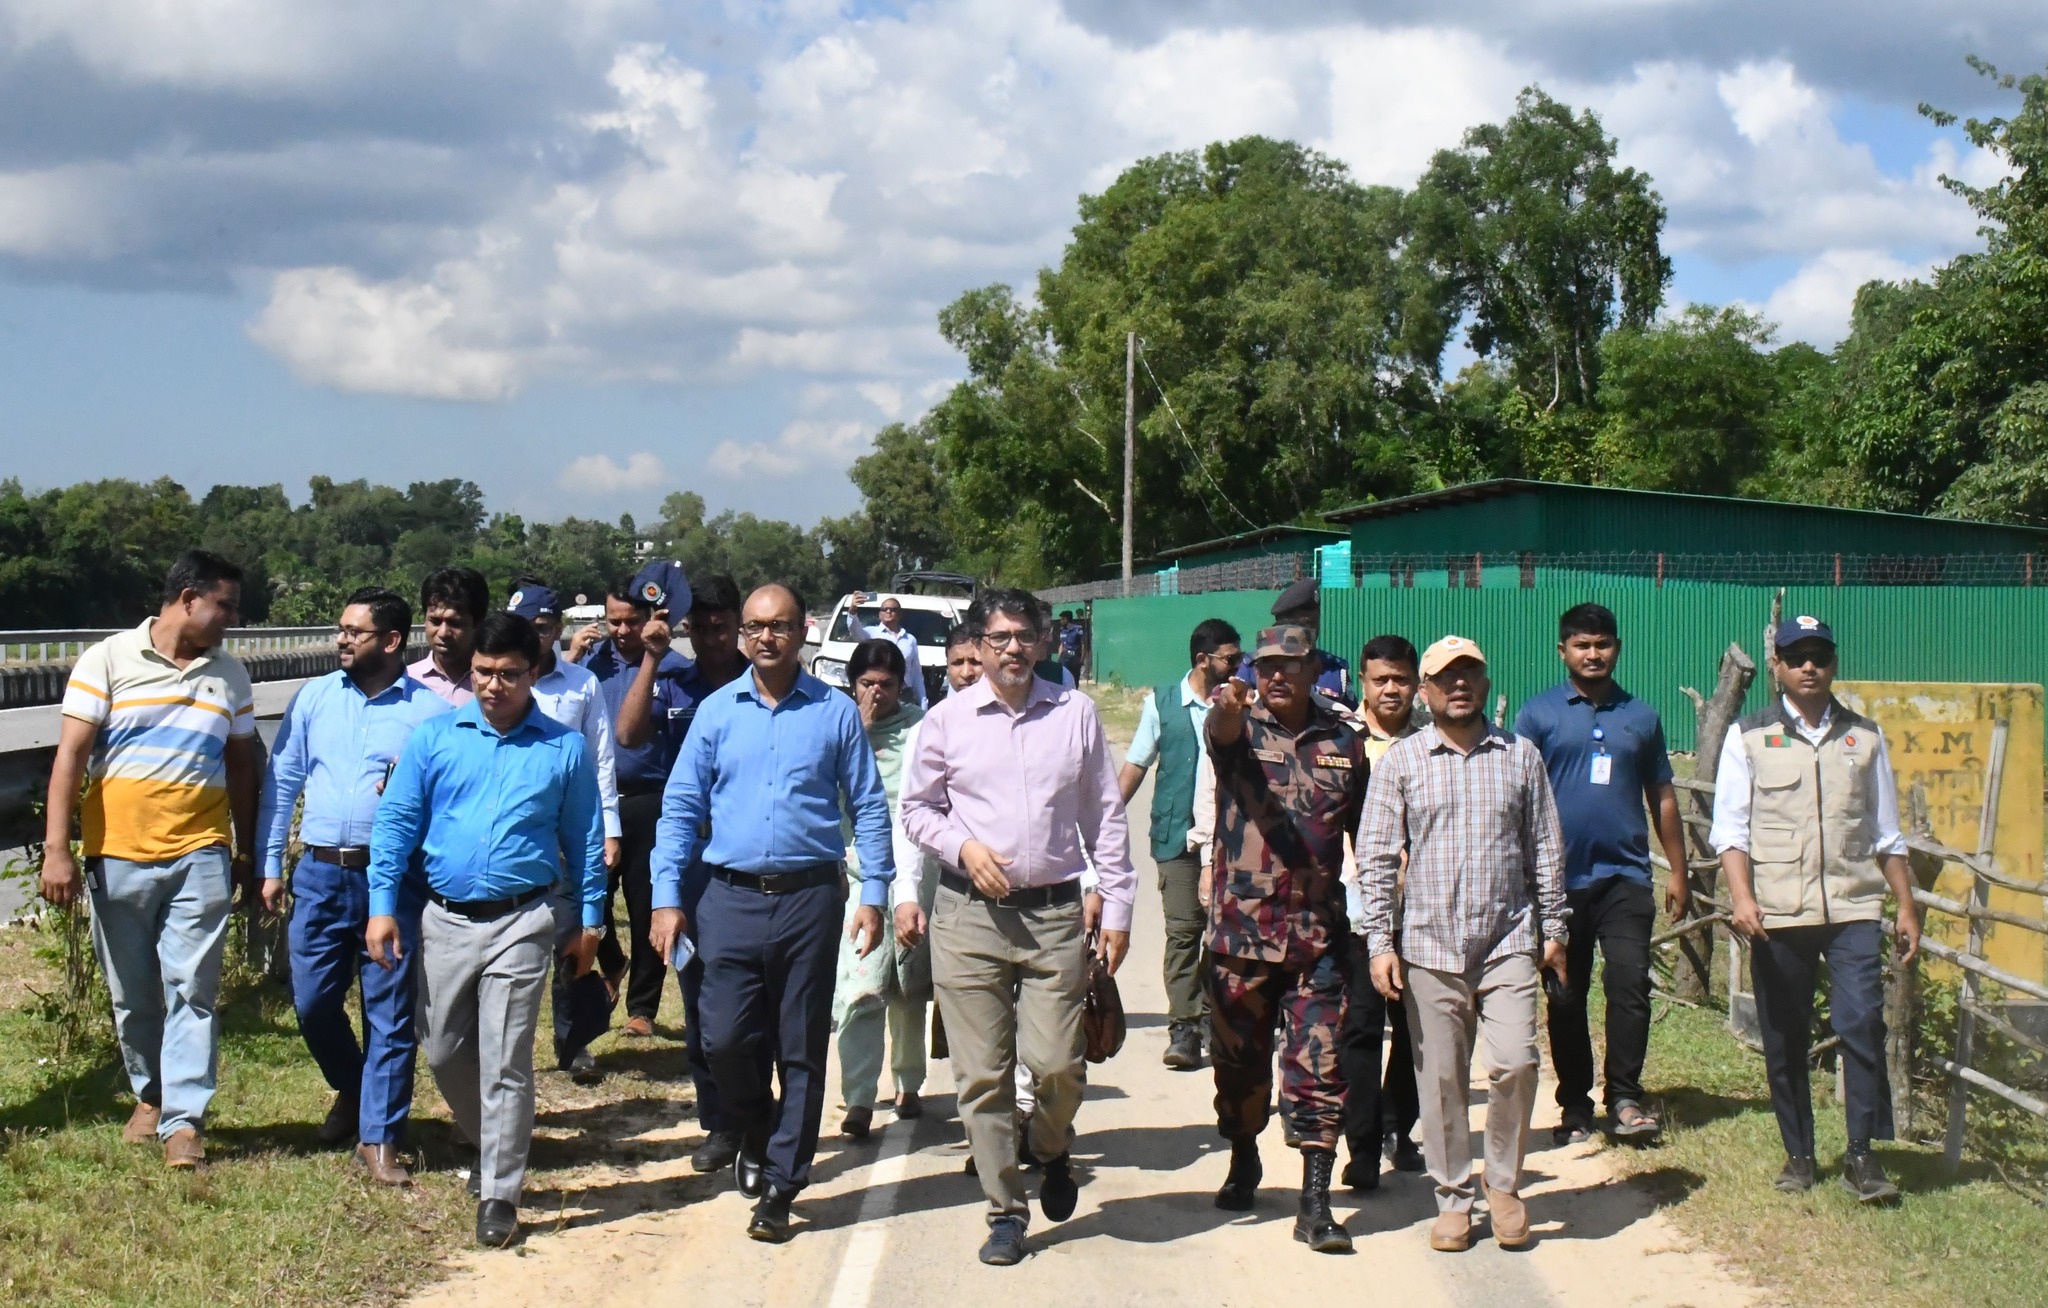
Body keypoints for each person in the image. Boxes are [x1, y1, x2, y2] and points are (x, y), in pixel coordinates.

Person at [647, 584, 895, 1244]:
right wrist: (666, 897)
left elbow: (868, 806)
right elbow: (679, 810)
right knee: (724, 1037)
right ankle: (755, 1126)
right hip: (725, 897)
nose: (765, 638)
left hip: (811, 899)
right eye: (755, 627)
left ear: (801, 631)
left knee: (800, 1044)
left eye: (779, 626)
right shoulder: (715, 712)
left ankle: (783, 1184)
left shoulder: (835, 712)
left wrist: (874, 894)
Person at [897, 587, 1134, 1268]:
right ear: (981, 643)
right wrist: (961, 849)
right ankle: (1006, 1211)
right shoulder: (947, 721)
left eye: (1023, 636)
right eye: (998, 637)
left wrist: (1115, 905)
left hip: (1055, 916)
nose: (1011, 649)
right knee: (981, 1077)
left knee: (1058, 1062)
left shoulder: (1076, 715)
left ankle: (1050, 1146)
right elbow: (917, 812)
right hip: (968, 916)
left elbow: (1106, 817)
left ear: (1044, 641)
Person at [367, 611, 606, 1248]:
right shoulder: (435, 739)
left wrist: (590, 922)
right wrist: (382, 905)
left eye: (507, 674)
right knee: (443, 1050)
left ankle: (500, 1191)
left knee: (506, 1058)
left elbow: (583, 839)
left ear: (534, 674)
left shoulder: (563, 748)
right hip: (444, 917)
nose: (494, 685)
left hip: (524, 919)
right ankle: (494, 1134)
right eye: (482, 673)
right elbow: (395, 826)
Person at [42, 550, 259, 1170]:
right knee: (135, 993)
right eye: (225, 605)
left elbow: (242, 767)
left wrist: (244, 849)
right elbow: (70, 759)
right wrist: (58, 849)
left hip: (201, 852)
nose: (232, 619)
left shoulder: (230, 675)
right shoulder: (108, 660)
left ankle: (185, 1120)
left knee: (193, 988)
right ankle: (151, 1095)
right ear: (188, 598)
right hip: (118, 854)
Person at [1358, 635, 1567, 1254]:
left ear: (1483, 682)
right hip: (1429, 946)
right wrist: (1379, 940)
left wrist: (1554, 928)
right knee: (1442, 1078)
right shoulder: (1402, 761)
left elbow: (1546, 848)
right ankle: (1453, 1199)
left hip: (1507, 939)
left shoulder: (1520, 755)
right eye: (1444, 677)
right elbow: (1373, 855)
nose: (1458, 685)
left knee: (1515, 1062)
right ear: (1426, 691)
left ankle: (1502, 1186)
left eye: (1469, 674)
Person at [1709, 615, 1922, 1204]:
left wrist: (1905, 905)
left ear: (1833, 665)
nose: (1809, 668)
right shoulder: (1748, 736)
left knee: (1861, 1023)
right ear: (1775, 664)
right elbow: (1730, 830)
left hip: (1853, 905)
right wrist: (1743, 898)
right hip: (1778, 910)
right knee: (1785, 1034)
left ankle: (1862, 1155)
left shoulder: (1864, 738)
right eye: (1797, 657)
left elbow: (1886, 834)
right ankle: (1799, 1155)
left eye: (1820, 657)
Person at [257, 587, 450, 1185]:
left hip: (391, 880)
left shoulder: (429, 714)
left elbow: (446, 802)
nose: (341, 639)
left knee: (389, 1012)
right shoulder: (314, 698)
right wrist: (269, 865)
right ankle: (355, 1085)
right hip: (317, 874)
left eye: (355, 631)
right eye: (340, 629)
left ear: (392, 641)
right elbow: (282, 780)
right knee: (312, 1002)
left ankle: (380, 1138)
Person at [1203, 626, 1370, 1254]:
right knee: (1239, 1069)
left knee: (1318, 1068)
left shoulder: (1345, 744)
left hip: (1318, 938)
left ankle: (1316, 1202)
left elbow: (1365, 834)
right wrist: (1225, 709)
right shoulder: (1239, 728)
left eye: (1291, 666)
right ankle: (1243, 1153)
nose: (1277, 676)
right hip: (1240, 938)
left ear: (1313, 671)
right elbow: (1219, 735)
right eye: (1267, 665)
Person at [1514, 604, 1691, 1146]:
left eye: (1603, 644)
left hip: (1625, 876)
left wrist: (1679, 874)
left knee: (1630, 983)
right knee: (1565, 992)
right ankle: (1574, 1104)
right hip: (1556, 882)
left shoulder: (1640, 716)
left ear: (1617, 648)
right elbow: (1516, 795)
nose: (1593, 654)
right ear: (1562, 651)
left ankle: (1626, 1098)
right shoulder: (1538, 715)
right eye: (1582, 645)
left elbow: (1661, 794)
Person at [569, 564, 696, 1040]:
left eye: (631, 621)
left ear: (652, 618)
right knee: (590, 898)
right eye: (613, 621)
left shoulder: (676, 669)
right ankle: (611, 961)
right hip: (594, 802)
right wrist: (574, 657)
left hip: (650, 801)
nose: (622, 631)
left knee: (646, 906)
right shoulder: (587, 667)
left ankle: (643, 1006)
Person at [659, 573, 758, 1175]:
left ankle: (757, 1115)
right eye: (700, 627)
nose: (713, 637)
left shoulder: (765, 685)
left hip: (749, 861)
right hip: (692, 860)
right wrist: (649, 660)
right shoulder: (673, 683)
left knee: (759, 1002)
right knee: (699, 997)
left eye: (723, 625)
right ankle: (718, 1122)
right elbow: (628, 739)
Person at [507, 580, 623, 1082]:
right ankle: (508, 1048)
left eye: (546, 627)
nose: (538, 636)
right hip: (517, 834)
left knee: (573, 938)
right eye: (529, 628)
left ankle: (573, 1042)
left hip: (571, 834)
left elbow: (601, 759)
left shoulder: (581, 684)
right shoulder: (502, 679)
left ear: (558, 628)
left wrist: (609, 830)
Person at [1117, 618, 1243, 1071]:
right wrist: (1107, 821)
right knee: (1184, 932)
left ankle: (1216, 1018)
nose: (1237, 665)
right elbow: (1136, 764)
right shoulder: (1162, 704)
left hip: (1231, 840)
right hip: (1175, 837)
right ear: (1202, 660)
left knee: (1226, 934)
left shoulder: (1240, 704)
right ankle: (1185, 1028)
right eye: (1230, 658)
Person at [834, 639, 935, 1140]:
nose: (878, 693)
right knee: (862, 986)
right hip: (858, 873)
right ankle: (857, 1098)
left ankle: (909, 1082)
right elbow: (825, 797)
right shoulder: (837, 723)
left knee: (908, 985)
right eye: (868, 684)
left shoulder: (922, 727)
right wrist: (862, 730)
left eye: (887, 685)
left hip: (915, 872)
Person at [1337, 634, 1425, 1189]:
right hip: (1354, 907)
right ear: (1364, 684)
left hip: (1423, 910)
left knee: (1417, 1029)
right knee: (1361, 1028)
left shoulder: (1434, 741)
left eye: (1400, 679)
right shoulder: (1341, 743)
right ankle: (1362, 1146)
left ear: (1417, 683)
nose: (1390, 689)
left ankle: (1400, 1128)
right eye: (1380, 680)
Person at [1237, 577, 1351, 707]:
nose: (1309, 631)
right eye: (1299, 625)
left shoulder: (1334, 669)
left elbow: (1348, 717)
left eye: (1311, 623)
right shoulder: (1254, 665)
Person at [409, 567, 490, 706]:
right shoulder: (406, 682)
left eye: (455, 623)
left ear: (478, 623)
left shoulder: (495, 687)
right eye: (435, 621)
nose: (443, 633)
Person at [848, 589, 927, 706]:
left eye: (893, 609)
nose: (888, 611)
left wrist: (923, 702)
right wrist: (852, 611)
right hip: (880, 691)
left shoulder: (910, 639)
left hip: (905, 695)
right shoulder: (871, 634)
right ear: (879, 614)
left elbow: (916, 673)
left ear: (900, 614)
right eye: (885, 609)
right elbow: (854, 630)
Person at [1055, 611, 1085, 684]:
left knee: (1075, 680)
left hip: (1075, 657)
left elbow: (1083, 644)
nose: (1060, 621)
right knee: (1063, 679)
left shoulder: (1077, 629)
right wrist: (1059, 658)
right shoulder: (1062, 630)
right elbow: (1061, 645)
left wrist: (1082, 659)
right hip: (1064, 657)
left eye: (1062, 619)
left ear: (1066, 619)